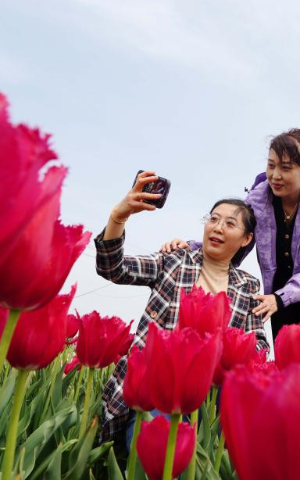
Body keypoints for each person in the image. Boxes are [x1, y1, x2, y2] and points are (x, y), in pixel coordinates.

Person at [95, 170, 269, 445]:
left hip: (213, 394)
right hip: (161, 386)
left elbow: (259, 345)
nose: (218, 227)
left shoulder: (247, 286)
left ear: (246, 239)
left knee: (215, 457)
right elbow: (113, 268)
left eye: (230, 224)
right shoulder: (174, 262)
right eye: (213, 219)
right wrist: (119, 216)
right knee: (154, 451)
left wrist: (226, 353)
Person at [162, 128, 300, 342]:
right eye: (271, 165)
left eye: (285, 168)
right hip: (274, 293)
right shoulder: (258, 200)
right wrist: (192, 247)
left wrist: (281, 298)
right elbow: (239, 237)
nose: (275, 175)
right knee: (284, 361)